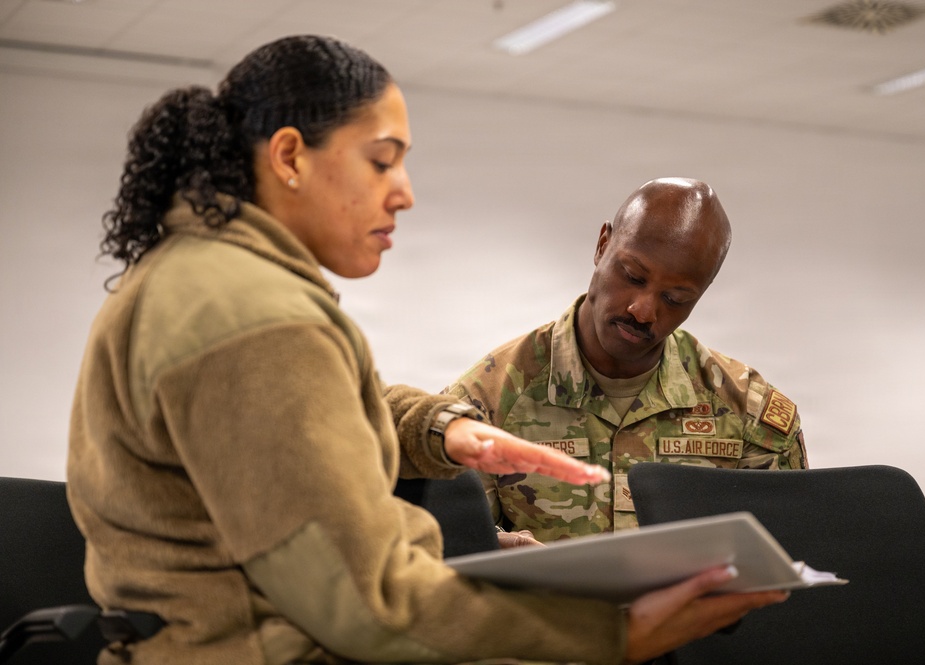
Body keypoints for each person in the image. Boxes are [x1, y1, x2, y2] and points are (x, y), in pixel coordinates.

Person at [66, 36, 789, 665]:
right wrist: (610, 629)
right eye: (382, 162)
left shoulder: (204, 279)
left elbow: (323, 406)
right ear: (289, 156)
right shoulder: (251, 314)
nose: (403, 193)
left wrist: (444, 428)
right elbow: (366, 603)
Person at [446, 178, 808, 545]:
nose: (643, 310)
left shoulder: (750, 416)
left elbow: (791, 567)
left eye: (675, 298)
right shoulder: (481, 405)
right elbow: (432, 560)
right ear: (603, 245)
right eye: (633, 276)